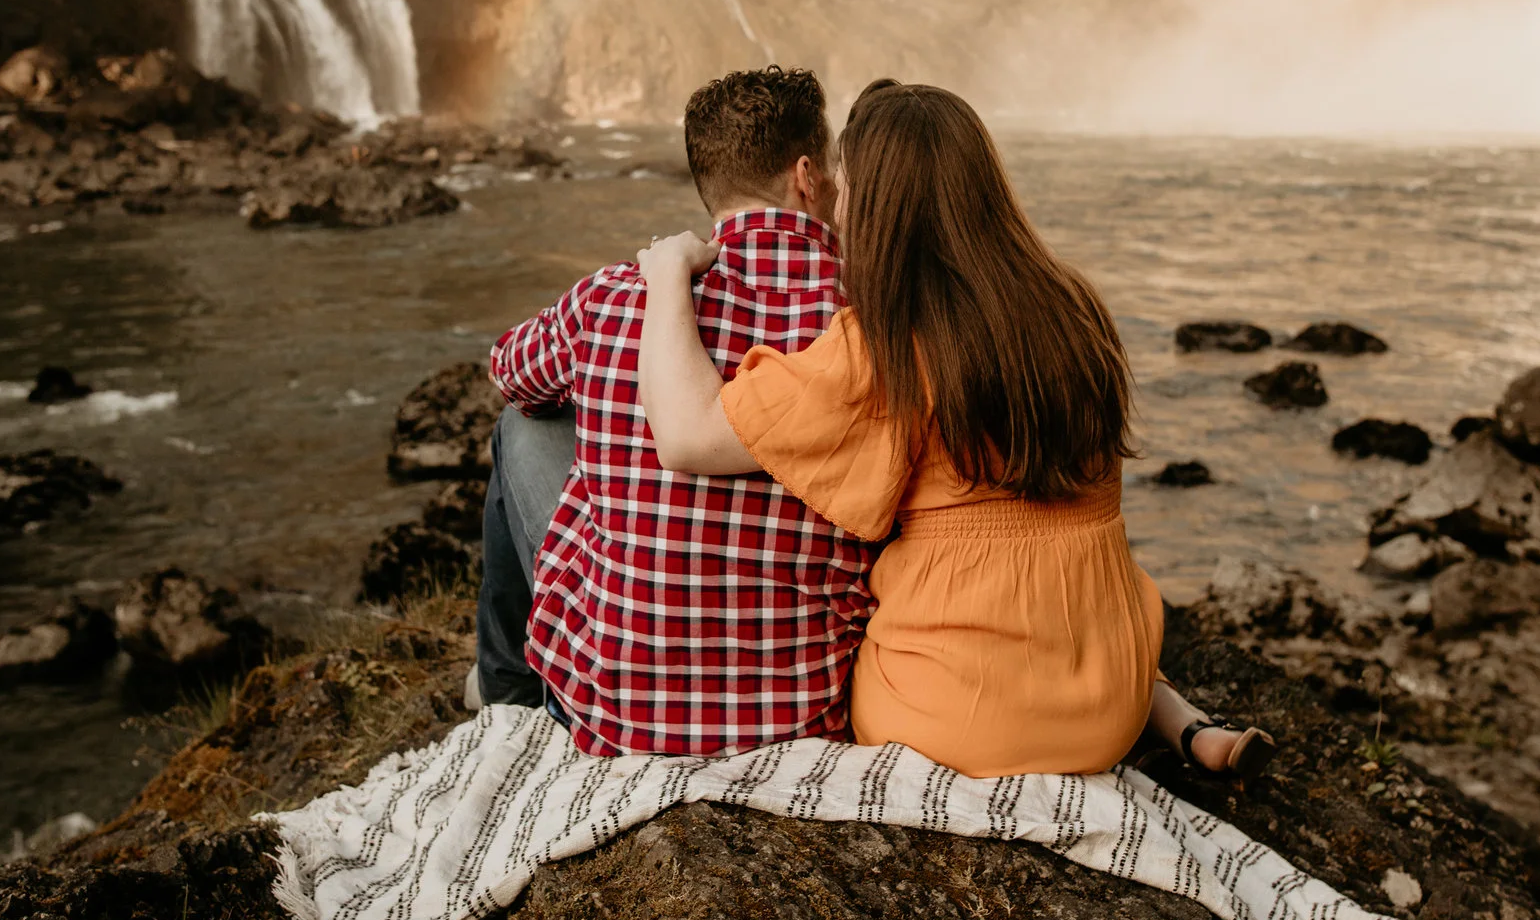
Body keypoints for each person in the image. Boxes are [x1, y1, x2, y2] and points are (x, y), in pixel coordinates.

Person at [635, 79, 1272, 780]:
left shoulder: (885, 345)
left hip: (958, 719)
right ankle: (1178, 719)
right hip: (1106, 700)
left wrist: (667, 276)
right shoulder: (1074, 304)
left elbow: (686, 434)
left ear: (875, 205)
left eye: (848, 186)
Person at [477, 66, 878, 756]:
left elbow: (509, 370)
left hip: (615, 718)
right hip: (797, 719)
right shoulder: (866, 315)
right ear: (807, 176)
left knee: (520, 422)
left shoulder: (613, 295)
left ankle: (505, 694)